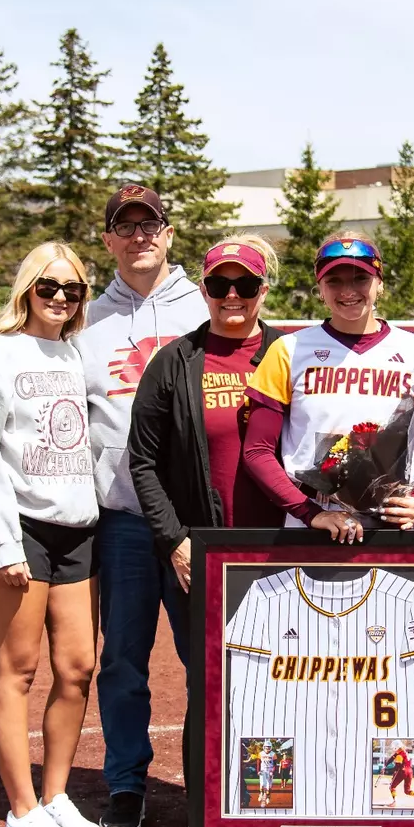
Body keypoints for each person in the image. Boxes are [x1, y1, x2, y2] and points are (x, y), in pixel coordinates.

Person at [240, 232, 414, 827]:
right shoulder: (288, 350)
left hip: (389, 541)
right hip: (308, 539)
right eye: (336, 280)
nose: (349, 291)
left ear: (379, 280)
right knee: (290, 693)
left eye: (360, 279)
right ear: (319, 285)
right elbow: (258, 453)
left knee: (390, 696)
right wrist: (310, 513)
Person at [0, 242, 101, 827]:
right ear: (27, 289)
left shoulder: (74, 351)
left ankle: (55, 796)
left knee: (78, 669)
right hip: (19, 530)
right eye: (49, 286)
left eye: (72, 288)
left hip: (78, 527)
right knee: (16, 670)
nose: (61, 297)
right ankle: (20, 812)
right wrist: (1, 541)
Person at [78, 184, 207, 827]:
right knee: (123, 659)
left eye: (149, 224)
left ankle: (210, 784)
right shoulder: (89, 318)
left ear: (169, 232)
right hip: (124, 520)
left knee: (206, 656)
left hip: (193, 523)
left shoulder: (203, 305)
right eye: (124, 227)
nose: (138, 237)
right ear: (108, 240)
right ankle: (126, 783)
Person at [129, 235, 286, 594]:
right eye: (219, 284)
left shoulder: (290, 354)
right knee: (206, 651)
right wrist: (175, 540)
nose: (232, 295)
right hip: (203, 548)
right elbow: (143, 461)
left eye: (245, 284)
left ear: (262, 290)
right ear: (204, 291)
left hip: (282, 544)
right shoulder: (173, 361)